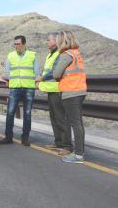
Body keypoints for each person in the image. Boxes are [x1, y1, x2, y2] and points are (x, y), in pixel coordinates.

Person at [51, 30, 87, 164]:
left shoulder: (66, 55)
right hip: (80, 91)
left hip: (71, 92)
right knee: (77, 123)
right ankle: (78, 151)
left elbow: (56, 74)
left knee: (75, 124)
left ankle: (78, 155)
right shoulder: (77, 53)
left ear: (62, 41)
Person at [0, 35, 40, 146]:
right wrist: (2, 78)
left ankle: (25, 138)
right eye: (15, 44)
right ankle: (8, 137)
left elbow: (36, 74)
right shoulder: (10, 56)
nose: (16, 46)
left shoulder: (32, 55)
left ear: (24, 44)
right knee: (10, 113)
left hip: (28, 88)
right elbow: (7, 73)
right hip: (15, 88)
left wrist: (37, 83)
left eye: (18, 44)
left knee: (27, 113)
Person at [36, 33, 72, 153]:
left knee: (61, 118)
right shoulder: (50, 55)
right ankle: (58, 143)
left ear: (56, 41)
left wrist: (41, 78)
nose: (46, 42)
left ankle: (67, 146)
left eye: (48, 40)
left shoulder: (59, 54)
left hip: (58, 90)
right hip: (51, 90)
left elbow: (54, 72)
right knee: (54, 118)